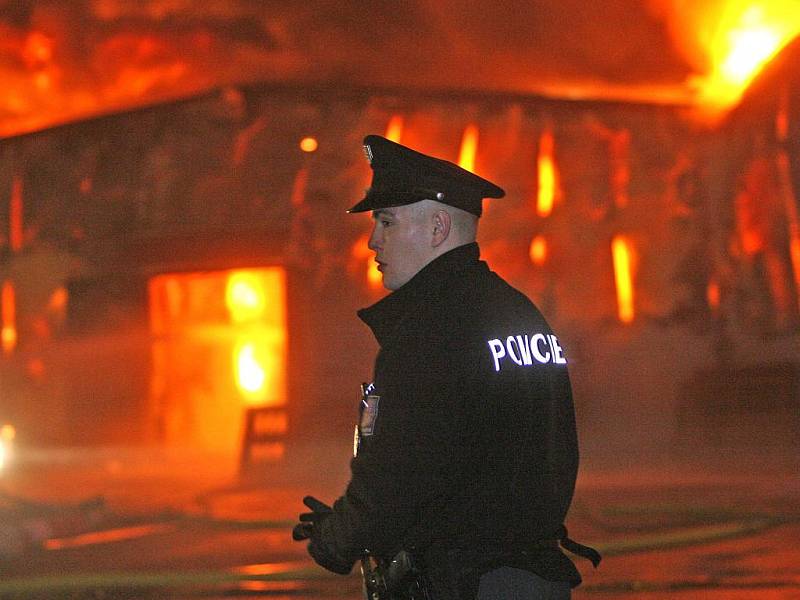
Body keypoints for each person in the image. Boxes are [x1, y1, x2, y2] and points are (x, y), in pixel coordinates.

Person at [293, 135, 599, 599]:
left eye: (387, 221)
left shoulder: (430, 328)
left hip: (463, 581)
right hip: (531, 578)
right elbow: (487, 455)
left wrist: (340, 538)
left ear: (437, 228)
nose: (374, 240)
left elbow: (402, 469)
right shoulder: (518, 312)